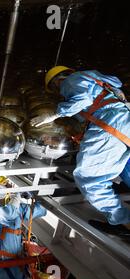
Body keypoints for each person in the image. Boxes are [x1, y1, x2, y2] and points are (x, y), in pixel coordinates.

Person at [31, 66, 130, 238]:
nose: (60, 91)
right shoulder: (96, 79)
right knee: (126, 168)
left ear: (58, 79)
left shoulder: (71, 80)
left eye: (55, 87)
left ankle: (124, 222)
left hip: (110, 125)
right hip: (123, 121)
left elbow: (81, 100)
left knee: (89, 177)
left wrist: (53, 114)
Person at [0, 192, 47, 279]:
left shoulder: (16, 206)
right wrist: (17, 196)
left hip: (19, 266)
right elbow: (7, 215)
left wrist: (35, 194)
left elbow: (41, 210)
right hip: (2, 267)